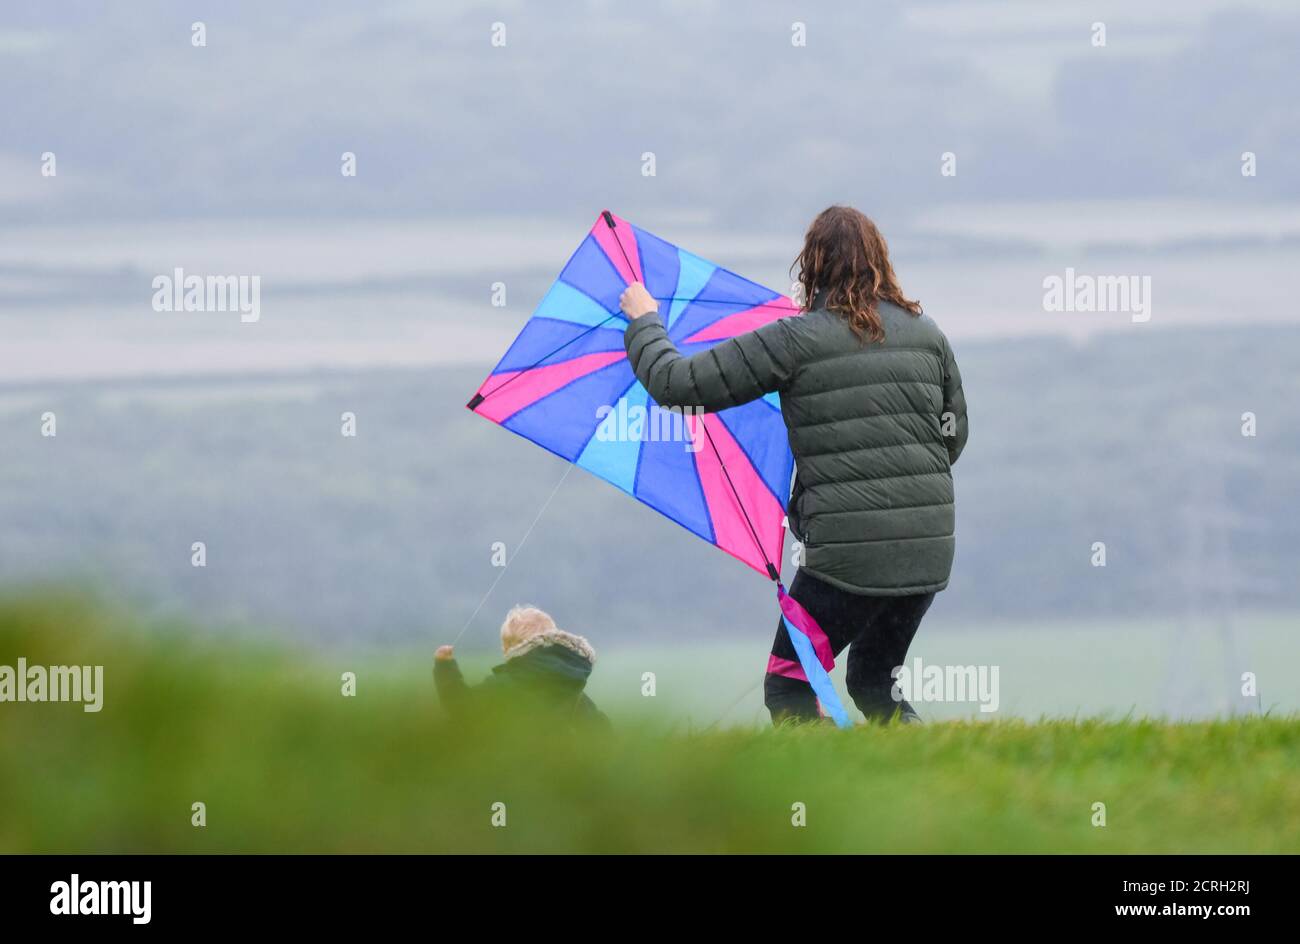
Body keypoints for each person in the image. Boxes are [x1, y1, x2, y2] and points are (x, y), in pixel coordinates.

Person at [619, 205, 968, 725]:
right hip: (927, 551)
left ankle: (818, 800)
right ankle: (931, 777)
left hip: (843, 562)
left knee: (788, 686)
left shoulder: (795, 340)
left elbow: (679, 385)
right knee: (875, 682)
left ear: (813, 266)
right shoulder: (927, 334)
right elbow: (953, 435)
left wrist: (645, 319)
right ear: (879, 261)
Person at [433, 604, 609, 729]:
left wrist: (445, 666)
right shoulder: (573, 690)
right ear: (555, 643)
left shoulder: (504, 686)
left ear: (509, 649)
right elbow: (602, 735)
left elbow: (462, 708)